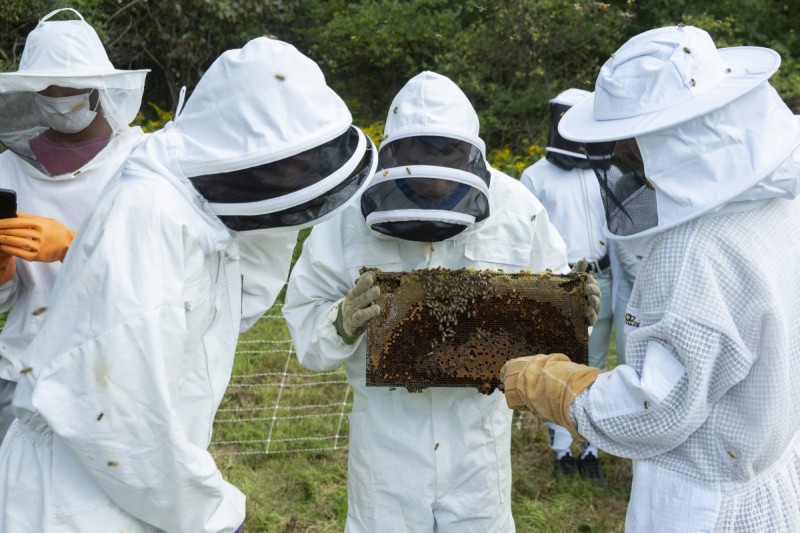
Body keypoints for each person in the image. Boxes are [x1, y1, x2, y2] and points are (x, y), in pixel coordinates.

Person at [0, 36, 377, 532]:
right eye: (285, 169)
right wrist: (214, 516)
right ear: (241, 150)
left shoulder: (195, 206)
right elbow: (115, 418)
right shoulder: (150, 214)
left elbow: (234, 305)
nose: (289, 182)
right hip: (79, 498)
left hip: (137, 486)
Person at [501, 25, 800, 531]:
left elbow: (654, 410)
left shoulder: (697, 249)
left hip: (701, 503)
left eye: (632, 137)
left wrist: (548, 382)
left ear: (675, 134)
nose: (622, 150)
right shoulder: (778, 201)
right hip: (769, 468)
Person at [283, 71, 599, 532]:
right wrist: (341, 322)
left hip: (479, 446)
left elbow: (554, 328)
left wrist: (576, 317)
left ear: (469, 152)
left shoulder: (518, 208)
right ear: (394, 152)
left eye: (445, 155)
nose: (432, 178)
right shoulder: (348, 216)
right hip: (385, 449)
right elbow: (304, 322)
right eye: (419, 157)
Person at [0, 8, 148, 442]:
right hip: (23, 368)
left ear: (100, 87)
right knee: (15, 504)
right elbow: (8, 299)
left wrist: (73, 245)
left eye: (71, 87)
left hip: (115, 374)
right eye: (48, 89)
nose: (60, 96)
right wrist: (3, 266)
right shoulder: (6, 171)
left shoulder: (145, 160)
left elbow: (166, 268)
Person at [520, 88, 613, 480]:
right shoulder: (535, 176)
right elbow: (528, 237)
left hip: (605, 279)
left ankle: (590, 451)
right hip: (560, 283)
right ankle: (560, 452)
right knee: (560, 367)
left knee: (596, 368)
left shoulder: (605, 172)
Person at [609, 240, 640, 365]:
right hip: (629, 285)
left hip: (666, 284)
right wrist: (649, 284)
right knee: (627, 355)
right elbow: (622, 243)